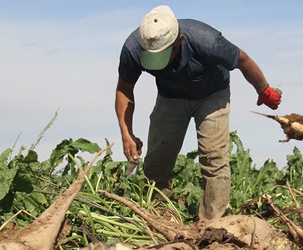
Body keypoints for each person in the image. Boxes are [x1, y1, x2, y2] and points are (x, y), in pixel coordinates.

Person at [115, 5, 281, 221]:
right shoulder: (134, 48)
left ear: (179, 40)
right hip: (170, 97)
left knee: (214, 158)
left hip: (212, 94)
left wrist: (264, 90)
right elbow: (124, 90)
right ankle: (159, 216)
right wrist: (126, 133)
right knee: (157, 160)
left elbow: (243, 60)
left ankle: (211, 225)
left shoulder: (206, 40)